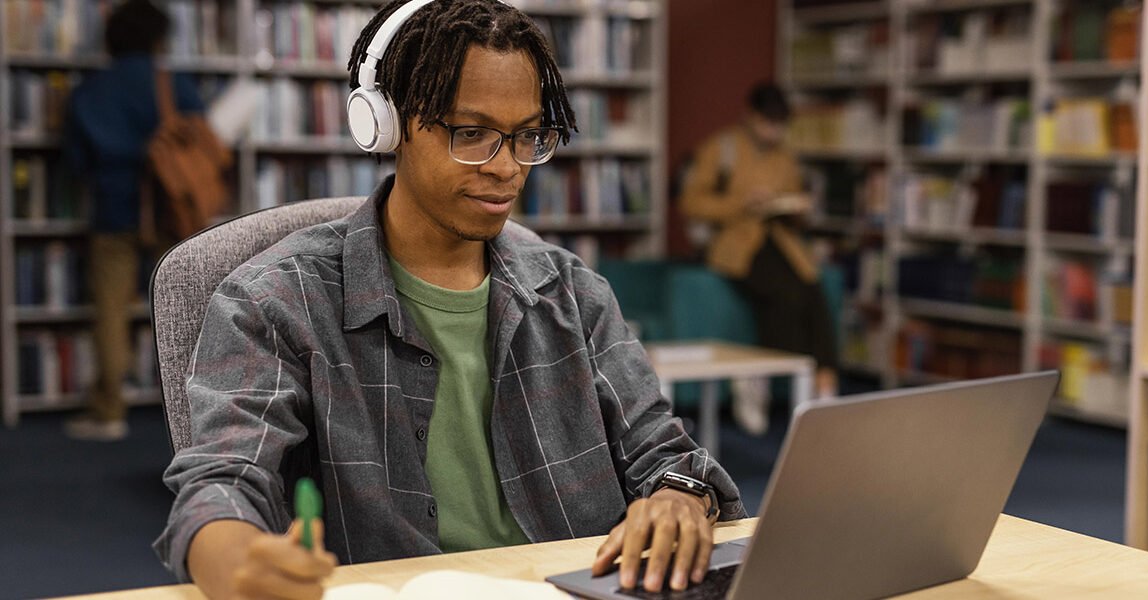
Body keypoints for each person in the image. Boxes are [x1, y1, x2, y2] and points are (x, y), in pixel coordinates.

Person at [153, 1, 746, 598]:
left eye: (527, 136)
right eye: (472, 134)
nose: (507, 167)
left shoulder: (573, 292)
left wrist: (678, 497)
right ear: (386, 123)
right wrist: (230, 556)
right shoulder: (273, 301)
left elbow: (666, 452)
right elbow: (222, 480)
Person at [63, 0, 205, 441]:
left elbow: (76, 160)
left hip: (113, 208)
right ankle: (195, 413)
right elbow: (201, 142)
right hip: (169, 211)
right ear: (159, 39)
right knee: (182, 310)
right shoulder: (173, 84)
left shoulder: (88, 90)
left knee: (110, 309)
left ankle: (109, 413)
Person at [679, 82, 838, 436]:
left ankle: (825, 386)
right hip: (735, 243)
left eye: (780, 123)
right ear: (751, 116)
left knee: (813, 290)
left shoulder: (786, 155)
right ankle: (767, 378)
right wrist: (742, 203)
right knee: (787, 294)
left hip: (780, 240)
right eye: (769, 121)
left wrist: (797, 205)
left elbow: (796, 203)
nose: (774, 130)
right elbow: (691, 202)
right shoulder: (721, 148)